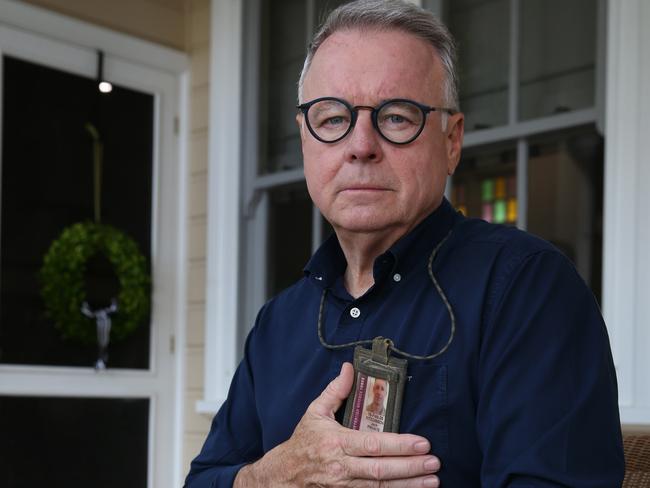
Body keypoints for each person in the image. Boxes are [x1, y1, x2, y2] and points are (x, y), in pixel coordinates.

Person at [185, 1, 624, 486]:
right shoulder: (277, 324)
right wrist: (273, 476)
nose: (361, 144)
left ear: (452, 141)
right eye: (332, 118)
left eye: (396, 116)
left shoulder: (525, 288)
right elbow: (204, 478)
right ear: (304, 140)